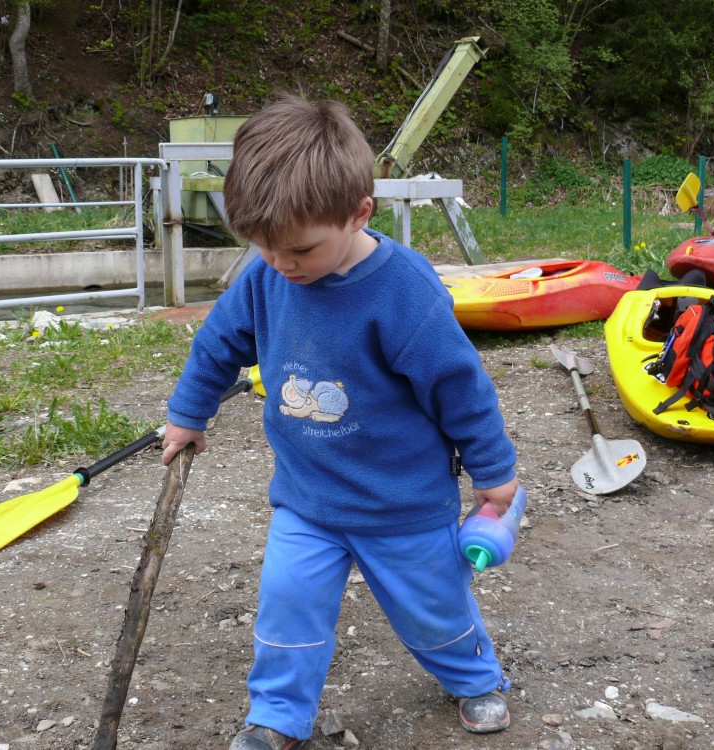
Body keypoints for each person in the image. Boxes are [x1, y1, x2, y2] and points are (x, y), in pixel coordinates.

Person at [160, 94, 519, 750]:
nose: (280, 263)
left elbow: (460, 388)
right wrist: (189, 413)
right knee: (287, 605)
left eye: (299, 249)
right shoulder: (268, 277)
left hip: (403, 504)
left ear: (359, 214)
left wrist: (494, 471)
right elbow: (217, 343)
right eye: (263, 247)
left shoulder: (404, 291)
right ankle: (277, 717)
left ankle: (475, 678)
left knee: (434, 609)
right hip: (308, 501)